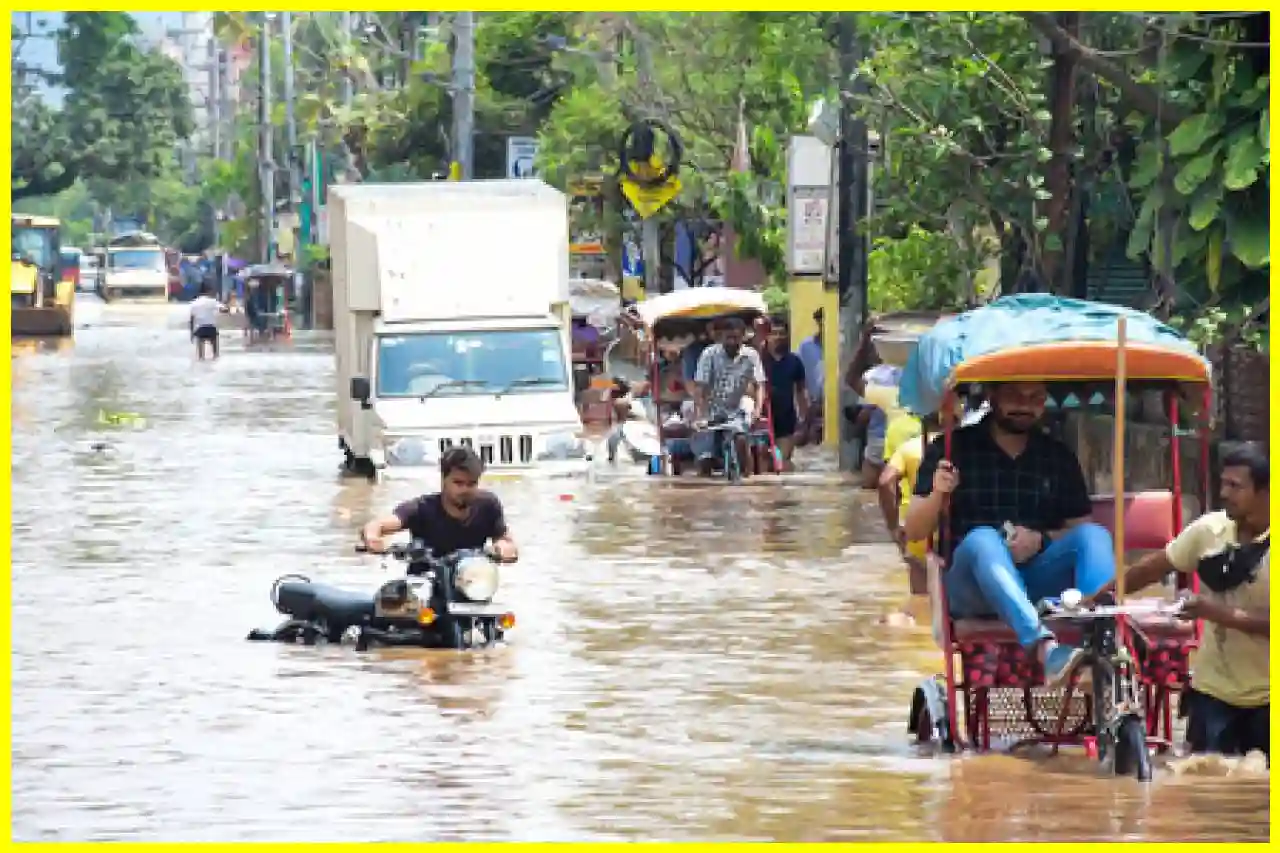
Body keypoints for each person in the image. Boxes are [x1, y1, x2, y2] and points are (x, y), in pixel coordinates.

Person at [904, 381, 1115, 687]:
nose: (1025, 406)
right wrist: (938, 493)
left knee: (1095, 536)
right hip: (972, 587)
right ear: (992, 396)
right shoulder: (951, 449)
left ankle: (1100, 643)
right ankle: (1046, 649)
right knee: (982, 539)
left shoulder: (1057, 456)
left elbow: (1077, 526)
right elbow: (914, 529)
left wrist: (1040, 540)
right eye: (1015, 396)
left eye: (1035, 398)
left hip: (1037, 580)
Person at [1092, 443, 1269, 758]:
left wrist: (1215, 612)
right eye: (1222, 484)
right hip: (1213, 692)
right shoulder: (1209, 530)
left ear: (1266, 492)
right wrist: (1098, 599)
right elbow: (1152, 568)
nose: (1224, 493)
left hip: (1269, 697)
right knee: (1204, 784)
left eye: (1235, 486)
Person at [360, 446, 519, 562]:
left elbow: (505, 538)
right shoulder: (422, 509)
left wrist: (504, 548)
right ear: (444, 480)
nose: (465, 489)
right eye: (458, 483)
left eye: (471, 484)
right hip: (424, 584)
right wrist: (373, 539)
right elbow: (377, 525)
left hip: (471, 581)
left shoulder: (488, 506)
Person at [691, 317, 765, 478]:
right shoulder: (709, 354)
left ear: (743, 336)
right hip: (710, 408)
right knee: (705, 460)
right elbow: (700, 388)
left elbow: (759, 385)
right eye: (728, 338)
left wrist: (758, 411)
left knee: (741, 440)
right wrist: (699, 415)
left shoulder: (751, 355)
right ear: (721, 337)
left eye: (736, 338)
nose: (732, 342)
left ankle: (747, 476)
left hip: (736, 407)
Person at [760, 317, 809, 470]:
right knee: (763, 463)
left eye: (782, 333)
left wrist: (804, 421)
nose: (778, 337)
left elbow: (801, 391)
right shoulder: (758, 360)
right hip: (762, 419)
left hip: (786, 420)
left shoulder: (795, 361)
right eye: (774, 333)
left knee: (782, 463)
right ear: (767, 336)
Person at [796, 308, 824, 445]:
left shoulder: (842, 345)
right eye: (820, 320)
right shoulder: (806, 346)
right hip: (811, 405)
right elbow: (798, 375)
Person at [189, 283, 224, 361]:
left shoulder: (194, 303)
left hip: (200, 329)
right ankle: (215, 355)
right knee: (215, 354)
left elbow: (192, 320)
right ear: (208, 291)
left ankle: (201, 357)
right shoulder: (213, 301)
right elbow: (224, 309)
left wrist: (192, 334)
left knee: (200, 356)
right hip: (211, 329)